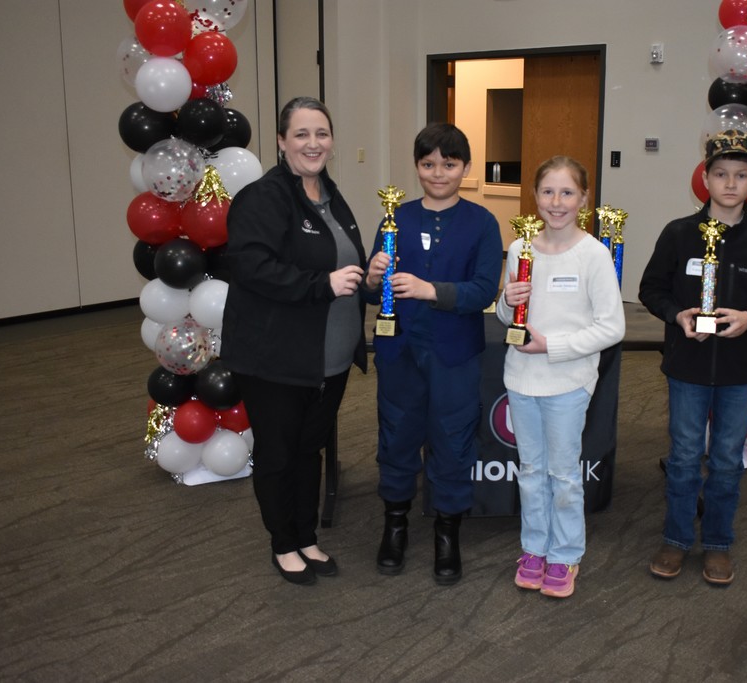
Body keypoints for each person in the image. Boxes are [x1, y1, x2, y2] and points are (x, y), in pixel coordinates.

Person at [221, 96, 367, 586]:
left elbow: (338, 260)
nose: (313, 143)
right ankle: (282, 542)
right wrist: (320, 285)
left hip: (330, 359)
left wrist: (368, 277)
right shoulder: (264, 197)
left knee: (310, 451)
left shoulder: (329, 193)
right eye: (301, 134)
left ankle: (306, 536)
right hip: (276, 359)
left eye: (321, 134)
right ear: (281, 141)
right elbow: (252, 266)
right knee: (279, 454)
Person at [638, 129, 747, 586]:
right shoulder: (679, 233)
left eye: (740, 176)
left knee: (726, 459)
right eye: (720, 174)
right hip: (686, 365)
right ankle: (677, 538)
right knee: (684, 456)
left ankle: (719, 542)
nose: (729, 183)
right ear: (704, 178)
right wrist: (676, 313)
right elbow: (651, 289)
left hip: (738, 370)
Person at [363, 123, 502, 585]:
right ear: (417, 166)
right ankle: (395, 524)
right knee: (397, 436)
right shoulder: (394, 218)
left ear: (465, 167)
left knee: (452, 440)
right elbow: (372, 294)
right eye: (428, 164)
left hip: (453, 353)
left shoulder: (481, 222)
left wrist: (429, 290)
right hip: (400, 349)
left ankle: (448, 532)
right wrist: (371, 277)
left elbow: (483, 289)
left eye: (449, 164)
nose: (438, 173)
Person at [496, 156, 626, 598]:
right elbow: (506, 314)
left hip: (568, 382)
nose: (556, 202)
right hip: (521, 378)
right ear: (535, 197)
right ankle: (534, 548)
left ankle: (566, 553)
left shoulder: (593, 254)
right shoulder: (520, 249)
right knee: (531, 470)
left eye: (567, 192)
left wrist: (552, 346)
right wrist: (504, 301)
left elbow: (613, 327)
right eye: (548, 192)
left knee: (564, 474)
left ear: (584, 199)